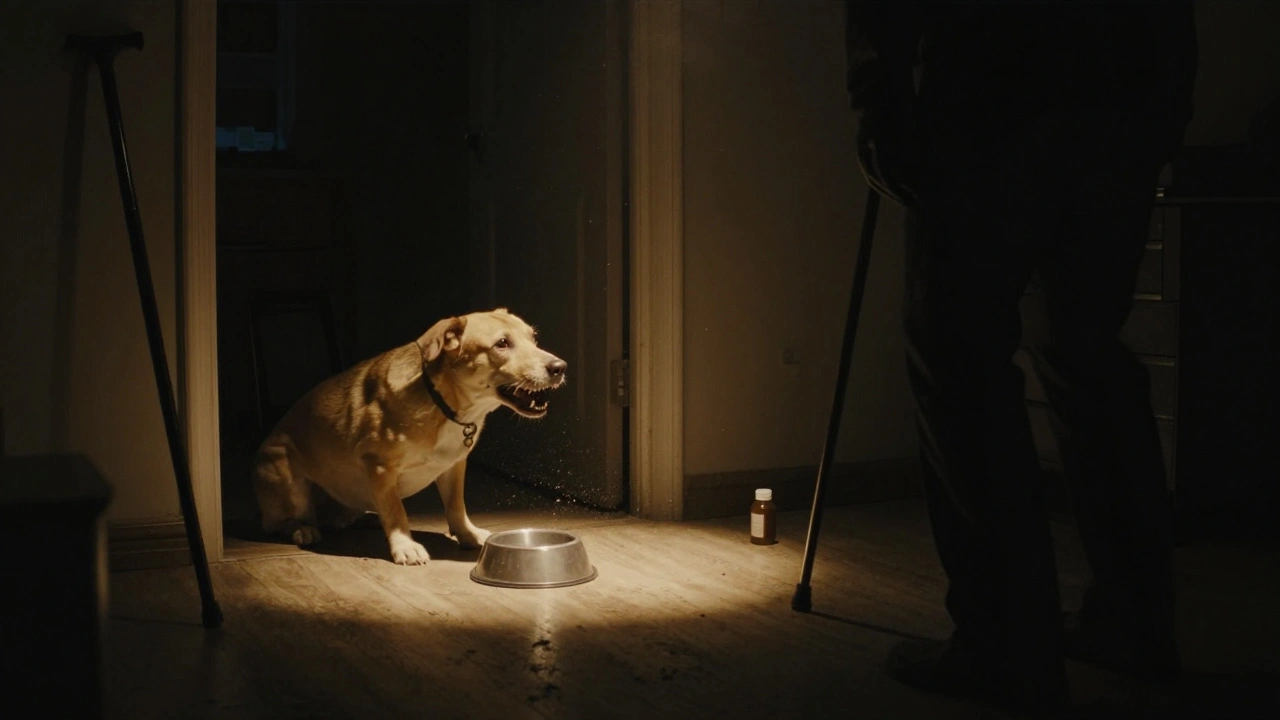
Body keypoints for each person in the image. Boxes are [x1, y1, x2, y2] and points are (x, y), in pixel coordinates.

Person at [843, 1, 1198, 714]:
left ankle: (1004, 644)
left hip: (990, 85)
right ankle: (1136, 623)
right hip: (1125, 86)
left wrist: (880, 97)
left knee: (957, 352)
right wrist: (1167, 98)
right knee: (1086, 348)